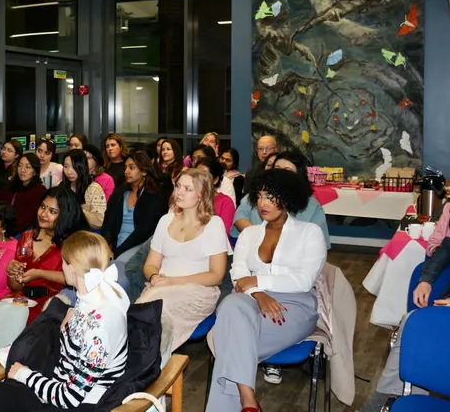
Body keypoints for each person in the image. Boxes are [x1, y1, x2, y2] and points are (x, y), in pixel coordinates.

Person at [360, 156, 450, 412]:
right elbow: (447, 249)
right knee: (412, 326)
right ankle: (391, 402)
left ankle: (383, 404)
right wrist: (426, 280)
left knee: (414, 334)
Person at [0, 231, 129, 411]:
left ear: (71, 268)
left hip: (78, 404)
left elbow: (70, 397)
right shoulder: (92, 301)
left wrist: (25, 375)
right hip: (57, 389)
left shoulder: (99, 325)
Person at [208, 169, 326, 411]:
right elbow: (238, 276)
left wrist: (259, 281)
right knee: (230, 305)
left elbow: (303, 281)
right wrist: (258, 293)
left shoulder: (309, 232)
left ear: (288, 198)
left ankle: (245, 401)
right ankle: (248, 401)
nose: (263, 203)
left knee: (228, 336)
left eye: (271, 196)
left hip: (294, 305)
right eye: (260, 196)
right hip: (249, 301)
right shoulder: (249, 234)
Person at [137, 169, 229, 351]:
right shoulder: (165, 220)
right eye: (178, 186)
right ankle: (147, 360)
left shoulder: (214, 224)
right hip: (162, 288)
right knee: (149, 308)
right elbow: (150, 264)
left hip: (198, 291)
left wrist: (172, 281)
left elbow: (217, 276)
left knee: (150, 308)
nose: (179, 192)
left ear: (201, 195)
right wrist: (154, 277)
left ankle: (147, 361)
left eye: (187, 189)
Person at [5, 187, 87, 322]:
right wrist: (11, 272)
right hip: (23, 299)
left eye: (52, 211)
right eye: (42, 207)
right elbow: (16, 287)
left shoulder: (72, 243)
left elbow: (77, 278)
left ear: (65, 215)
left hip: (55, 301)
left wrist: (39, 273)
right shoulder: (27, 237)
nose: (43, 214)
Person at [232, 151, 330, 249]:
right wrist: (259, 237)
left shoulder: (312, 205)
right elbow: (240, 216)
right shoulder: (258, 194)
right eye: (277, 169)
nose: (281, 174)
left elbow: (318, 244)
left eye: (287, 170)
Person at [101, 150, 169, 263]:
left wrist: (118, 252)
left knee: (119, 264)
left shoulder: (154, 196)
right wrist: (107, 246)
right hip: (115, 246)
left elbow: (143, 232)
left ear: (144, 171)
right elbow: (108, 222)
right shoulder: (120, 192)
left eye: (132, 168)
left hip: (139, 246)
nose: (126, 171)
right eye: (126, 168)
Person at [0, 153, 47, 235]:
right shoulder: (9, 186)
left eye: (28, 167)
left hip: (24, 231)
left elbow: (30, 219)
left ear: (35, 171)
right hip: (3, 226)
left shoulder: (39, 191)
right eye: (20, 166)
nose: (22, 170)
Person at [63, 150, 107, 229]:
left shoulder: (93, 188)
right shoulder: (60, 186)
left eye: (74, 167)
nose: (69, 172)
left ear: (82, 167)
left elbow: (99, 221)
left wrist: (75, 210)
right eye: (66, 166)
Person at [197, 158, 236, 233]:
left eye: (204, 174)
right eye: (196, 174)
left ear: (216, 180)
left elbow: (223, 232)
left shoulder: (226, 202)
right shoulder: (190, 198)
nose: (199, 178)